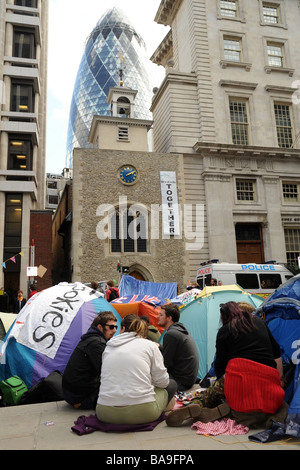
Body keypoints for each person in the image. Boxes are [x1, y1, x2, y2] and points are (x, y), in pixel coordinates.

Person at [166, 301, 286, 428]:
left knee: (208, 395)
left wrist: (219, 385)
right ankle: (225, 409)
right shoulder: (260, 323)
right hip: (268, 378)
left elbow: (220, 365)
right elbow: (277, 354)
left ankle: (195, 405)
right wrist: (280, 378)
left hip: (239, 377)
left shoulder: (224, 331)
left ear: (225, 317)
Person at [96, 314, 177, 425]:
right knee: (171, 384)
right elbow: (163, 382)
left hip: (104, 412)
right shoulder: (149, 345)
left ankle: (164, 404)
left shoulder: (108, 347)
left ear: (123, 328)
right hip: (142, 412)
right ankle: (166, 405)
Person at [62, 311, 118, 409]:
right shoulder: (97, 343)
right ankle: (85, 403)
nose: (114, 331)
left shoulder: (90, 338)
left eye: (116, 327)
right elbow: (106, 371)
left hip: (70, 392)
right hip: (78, 395)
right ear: (100, 327)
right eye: (111, 327)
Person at [158, 303, 199, 391]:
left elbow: (164, 364)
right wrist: (160, 346)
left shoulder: (171, 334)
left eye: (161, 315)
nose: (158, 317)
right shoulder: (179, 330)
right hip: (188, 379)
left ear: (169, 318)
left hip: (181, 382)